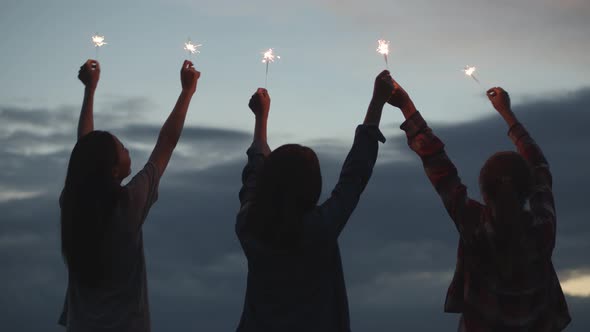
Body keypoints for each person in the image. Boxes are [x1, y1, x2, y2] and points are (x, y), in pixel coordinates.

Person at [390, 83, 571, 331]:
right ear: (527, 188)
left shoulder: (474, 225)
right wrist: (507, 114)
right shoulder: (543, 229)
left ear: (484, 190)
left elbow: (437, 164)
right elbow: (540, 168)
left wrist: (406, 106)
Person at [235, 71, 393, 331]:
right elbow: (354, 175)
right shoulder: (319, 228)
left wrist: (261, 119)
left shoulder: (248, 226)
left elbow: (254, 175)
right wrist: (377, 102)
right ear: (312, 186)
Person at [58, 59, 200, 331]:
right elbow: (166, 143)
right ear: (113, 170)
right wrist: (187, 92)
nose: (127, 149)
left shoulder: (73, 204)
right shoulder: (128, 205)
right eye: (121, 147)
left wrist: (90, 91)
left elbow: (85, 151)